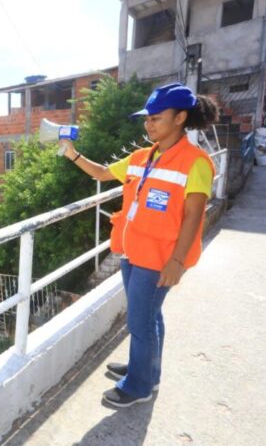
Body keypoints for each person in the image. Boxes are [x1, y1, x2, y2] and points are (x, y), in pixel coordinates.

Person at [60, 82, 219, 408]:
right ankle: (146, 370)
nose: (149, 124)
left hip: (161, 257)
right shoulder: (141, 157)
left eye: (156, 118)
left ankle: (138, 386)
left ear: (180, 118)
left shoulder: (195, 162)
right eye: (147, 119)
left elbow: (193, 215)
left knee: (139, 321)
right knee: (150, 316)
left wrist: (176, 261)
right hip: (134, 251)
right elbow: (103, 173)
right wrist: (71, 153)